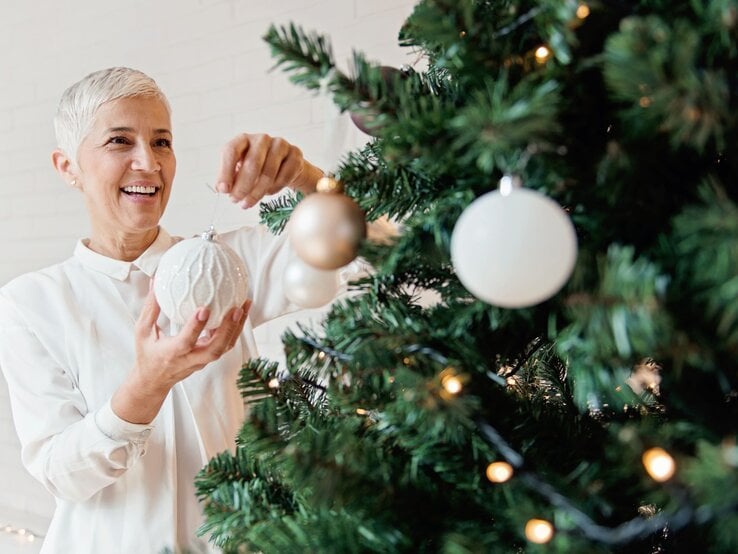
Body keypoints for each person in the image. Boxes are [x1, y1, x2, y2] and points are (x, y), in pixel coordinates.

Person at [0, 67, 325, 553]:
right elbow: (61, 473)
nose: (148, 163)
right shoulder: (31, 302)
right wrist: (146, 385)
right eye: (119, 141)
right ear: (68, 167)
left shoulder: (229, 266)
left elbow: (379, 245)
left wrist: (306, 177)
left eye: (161, 142)